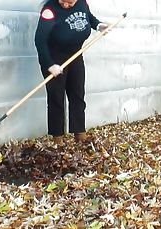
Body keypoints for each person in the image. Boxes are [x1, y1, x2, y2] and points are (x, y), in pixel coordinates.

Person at [35, 0, 108, 145]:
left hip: (75, 55)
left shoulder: (82, 3)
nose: (65, 4)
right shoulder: (49, 10)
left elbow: (89, 17)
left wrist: (99, 25)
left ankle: (79, 133)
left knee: (77, 94)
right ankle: (58, 138)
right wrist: (49, 65)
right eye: (62, 0)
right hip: (54, 58)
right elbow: (40, 40)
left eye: (69, 2)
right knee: (57, 98)